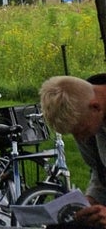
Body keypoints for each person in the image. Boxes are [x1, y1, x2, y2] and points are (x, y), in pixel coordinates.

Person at [39, 74, 106, 226]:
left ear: (95, 107)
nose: (80, 138)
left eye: (81, 130)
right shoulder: (90, 114)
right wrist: (90, 201)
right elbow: (100, 171)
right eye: (73, 133)